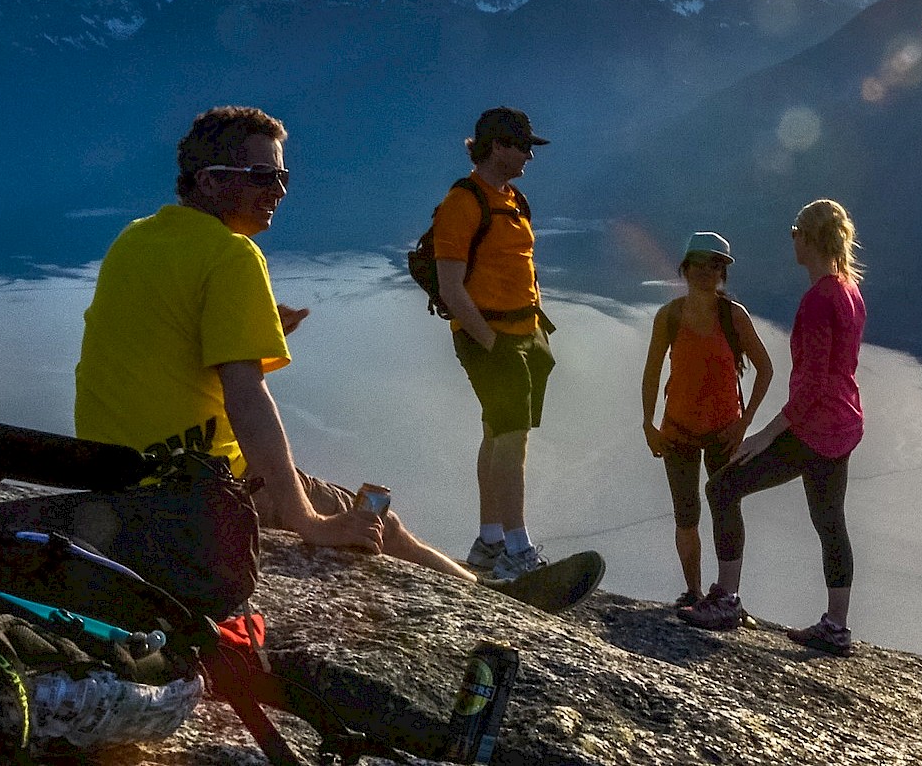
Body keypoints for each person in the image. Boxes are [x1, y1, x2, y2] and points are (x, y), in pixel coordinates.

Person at [73, 105, 596, 612]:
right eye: (260, 175)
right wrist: (308, 522)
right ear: (208, 182)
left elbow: (157, 339)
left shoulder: (136, 238)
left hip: (122, 479)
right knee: (374, 520)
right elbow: (247, 397)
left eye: (282, 175)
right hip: (195, 489)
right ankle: (498, 605)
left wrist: (255, 325)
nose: (277, 189)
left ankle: (488, 591)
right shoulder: (232, 255)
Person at [679, 200, 866, 656]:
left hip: (814, 427)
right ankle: (836, 626)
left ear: (808, 238)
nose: (792, 239)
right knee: (829, 521)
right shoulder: (848, 289)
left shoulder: (819, 299)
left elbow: (812, 388)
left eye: (794, 231)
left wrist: (764, 435)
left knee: (722, 489)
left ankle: (726, 600)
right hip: (842, 424)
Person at [432, 107, 556, 583]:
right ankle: (517, 550)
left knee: (496, 433)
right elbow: (450, 286)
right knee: (512, 438)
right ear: (497, 146)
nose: (529, 155)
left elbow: (521, 266)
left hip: (524, 335)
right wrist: (489, 341)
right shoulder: (462, 202)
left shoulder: (513, 199)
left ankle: (489, 542)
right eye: (523, 146)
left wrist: (535, 329)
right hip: (494, 338)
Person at [638, 232, 775, 607]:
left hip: (723, 433)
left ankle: (725, 594)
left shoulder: (734, 316)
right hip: (677, 431)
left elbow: (765, 368)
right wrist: (648, 424)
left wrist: (744, 423)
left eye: (714, 265)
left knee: (725, 511)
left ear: (722, 274)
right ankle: (695, 592)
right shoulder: (669, 316)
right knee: (687, 516)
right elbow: (652, 371)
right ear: (685, 268)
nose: (705, 272)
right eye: (699, 264)